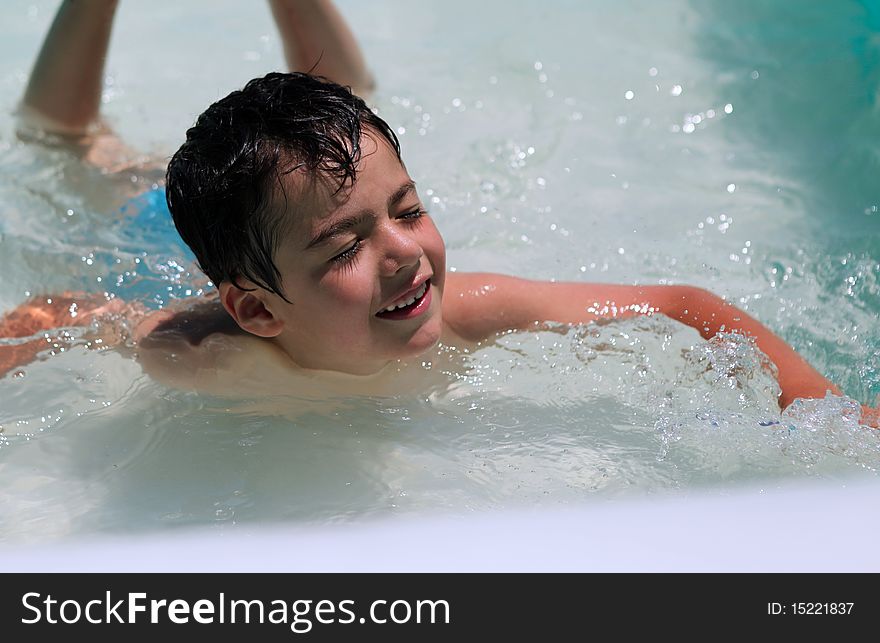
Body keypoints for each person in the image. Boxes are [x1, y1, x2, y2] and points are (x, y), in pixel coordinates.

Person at [2, 1, 878, 426]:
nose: (404, 254)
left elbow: (683, 309)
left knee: (344, 122)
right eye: (349, 245)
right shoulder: (201, 351)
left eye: (411, 210)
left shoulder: (460, 313)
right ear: (258, 311)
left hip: (270, 225)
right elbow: (67, 318)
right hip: (146, 230)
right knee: (73, 152)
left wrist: (825, 410)